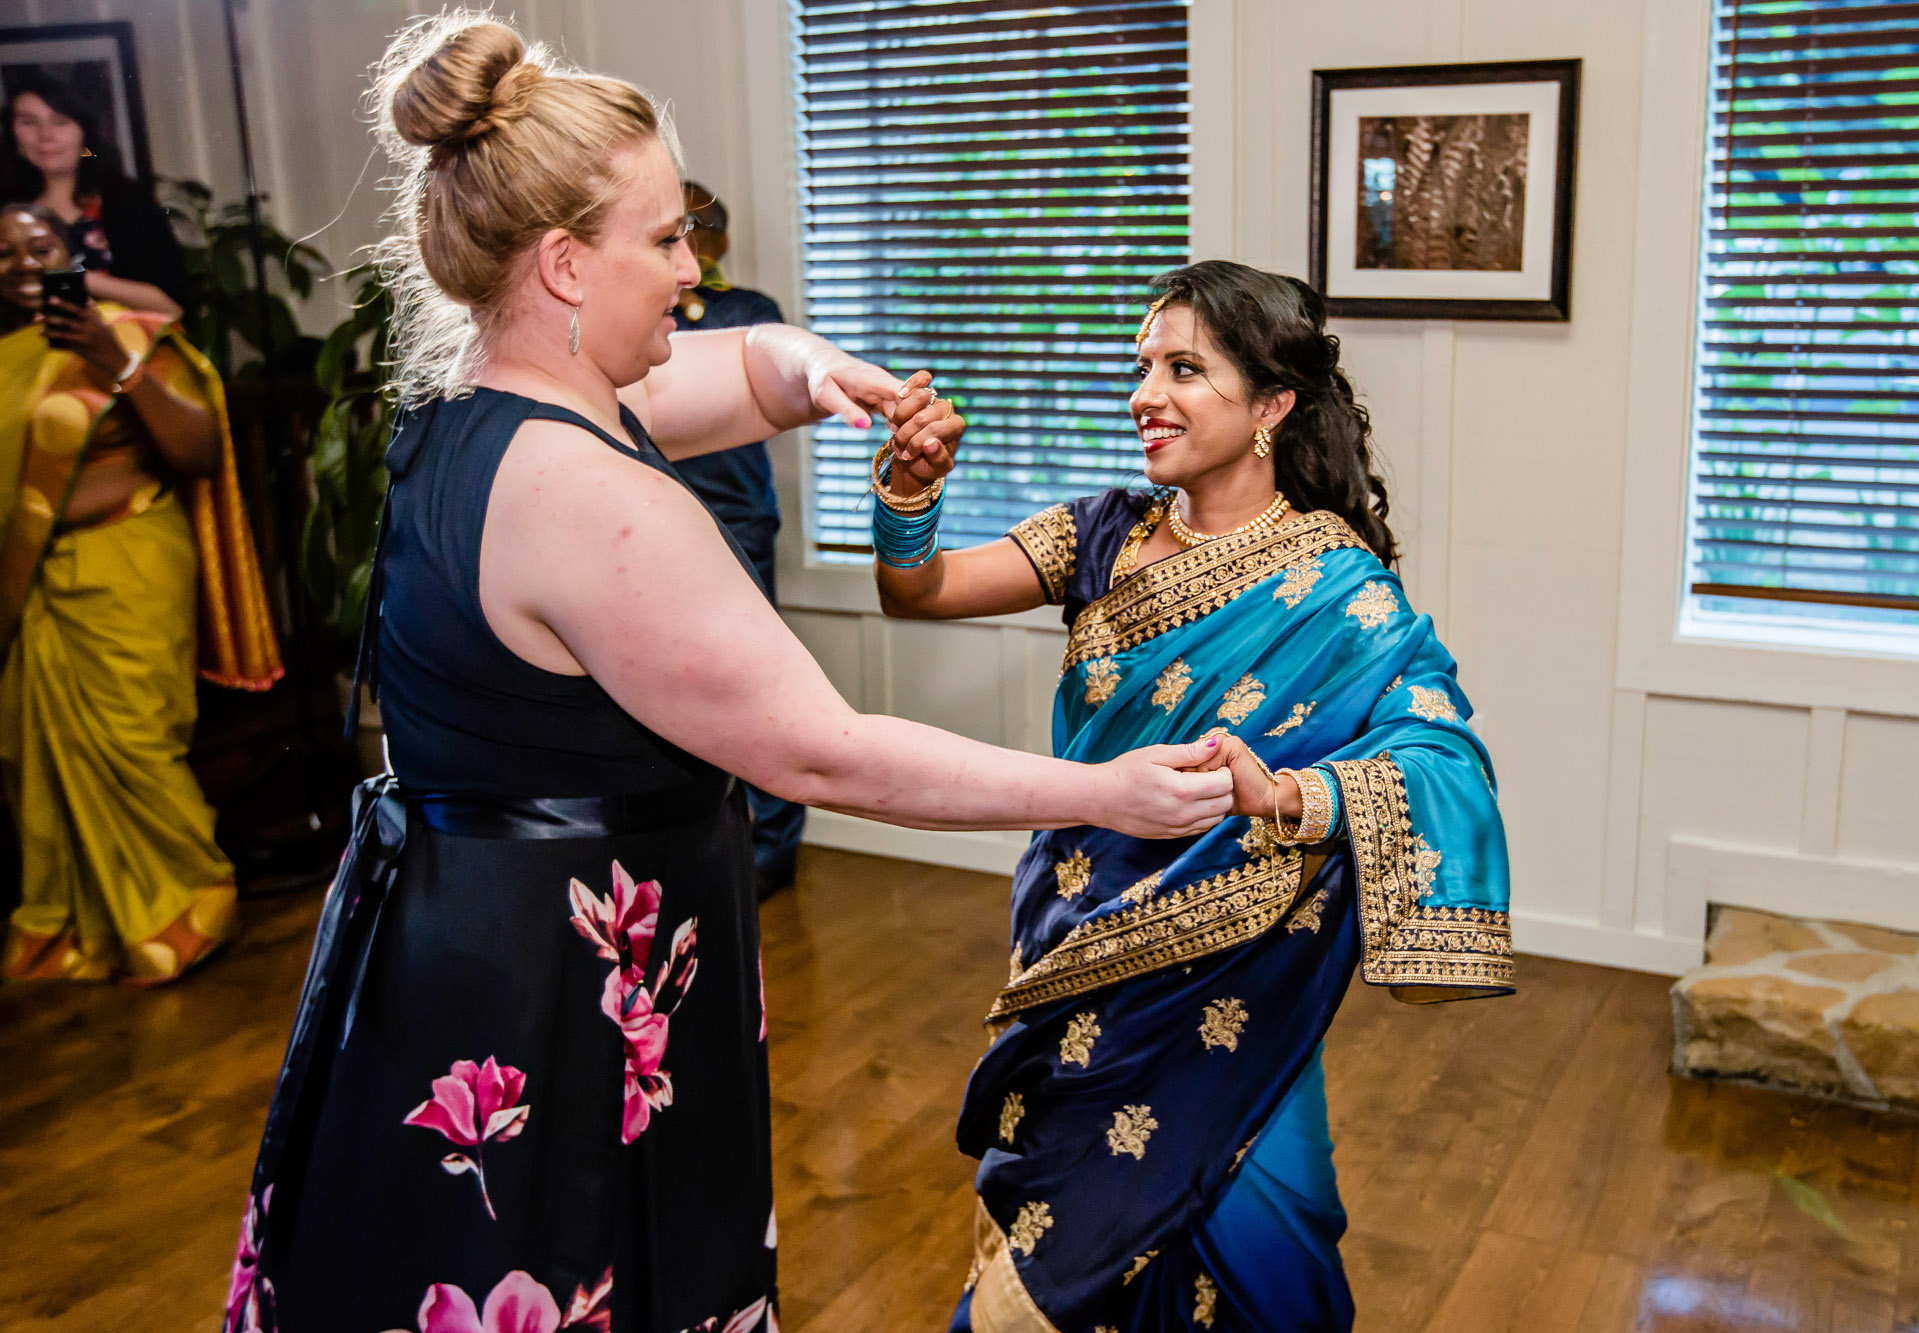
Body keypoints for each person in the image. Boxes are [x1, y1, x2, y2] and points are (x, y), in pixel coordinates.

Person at [221, 16, 1234, 1333]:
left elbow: (750, 371)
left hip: (454, 945)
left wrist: (832, 376)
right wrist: (1107, 790)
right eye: (665, 240)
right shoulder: (597, 499)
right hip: (559, 1002)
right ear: (567, 264)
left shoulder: (480, 406)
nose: (694, 271)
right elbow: (825, 752)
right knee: (577, 1256)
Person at [875, 260, 1514, 1332]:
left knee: (1266, 1238)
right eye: (1141, 366)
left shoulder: (1340, 587)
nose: (1145, 394)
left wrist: (1297, 795)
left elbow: (1437, 754)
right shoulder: (1098, 533)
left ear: (1272, 405)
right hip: (1079, 944)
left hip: (1234, 984)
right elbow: (919, 591)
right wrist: (906, 491)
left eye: (1184, 369)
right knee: (1058, 1227)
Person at [0, 202, 280, 984]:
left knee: (135, 741)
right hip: (36, 588)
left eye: (39, 247)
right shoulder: (4, 361)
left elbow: (196, 448)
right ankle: (80, 926)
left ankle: (185, 906)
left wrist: (109, 359)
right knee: (39, 759)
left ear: (70, 253)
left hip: (129, 564)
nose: (23, 265)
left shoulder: (128, 331)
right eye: (3, 254)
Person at [668, 180, 802, 898]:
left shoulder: (748, 312)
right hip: (660, 522)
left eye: (697, 227)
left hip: (739, 521)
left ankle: (773, 847)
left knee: (757, 680)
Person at [2, 75, 186, 317]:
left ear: (84, 134)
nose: (45, 135)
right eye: (29, 122)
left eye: (60, 121)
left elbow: (172, 308)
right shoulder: (6, 212)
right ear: (12, 135)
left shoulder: (127, 203)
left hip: (121, 350)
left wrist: (72, 277)